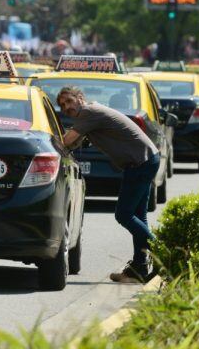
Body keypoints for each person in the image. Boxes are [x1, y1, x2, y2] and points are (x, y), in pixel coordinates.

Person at [56, 86, 160, 283]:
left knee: (124, 215)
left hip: (141, 162)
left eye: (69, 101)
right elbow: (75, 142)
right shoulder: (89, 116)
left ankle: (163, 253)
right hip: (145, 160)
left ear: (80, 97)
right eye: (62, 105)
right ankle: (139, 269)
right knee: (138, 216)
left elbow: (66, 141)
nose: (66, 107)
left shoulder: (89, 112)